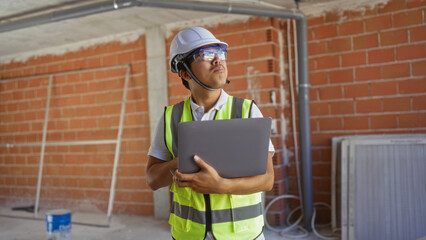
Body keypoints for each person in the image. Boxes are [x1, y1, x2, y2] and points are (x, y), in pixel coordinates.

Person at [146, 26, 275, 240]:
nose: (217, 60)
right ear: (185, 72)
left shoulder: (247, 111)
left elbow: (267, 180)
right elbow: (152, 180)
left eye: (220, 53)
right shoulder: (171, 117)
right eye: (206, 54)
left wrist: (222, 186)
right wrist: (179, 163)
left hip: (242, 236)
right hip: (189, 235)